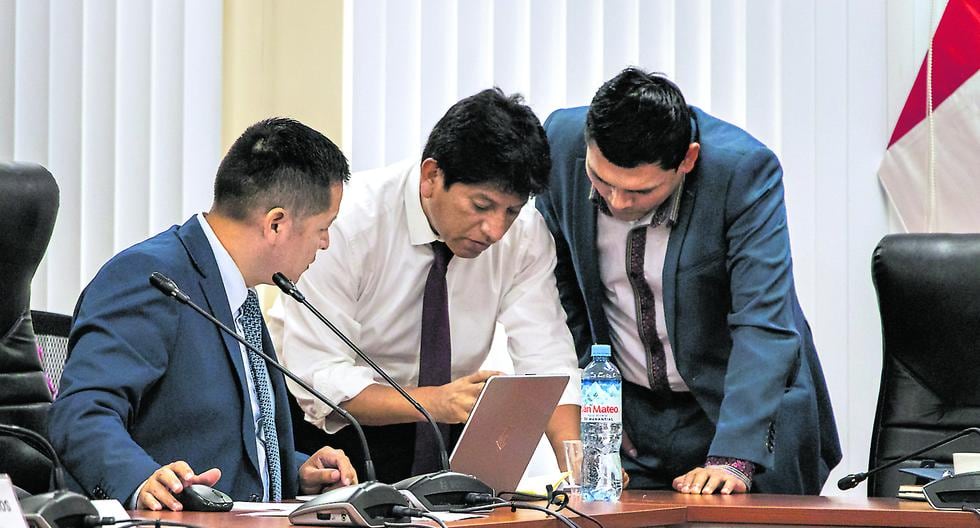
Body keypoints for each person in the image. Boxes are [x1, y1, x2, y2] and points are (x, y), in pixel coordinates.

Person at [535, 68, 841, 495]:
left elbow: (763, 322)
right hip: (637, 426)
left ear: (687, 160)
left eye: (640, 192)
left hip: (741, 415)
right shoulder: (559, 144)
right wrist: (598, 411)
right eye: (602, 182)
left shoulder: (742, 172)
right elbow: (565, 294)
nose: (618, 202)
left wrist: (733, 457)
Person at [48, 118, 357, 510]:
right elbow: (79, 414)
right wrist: (139, 479)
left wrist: (297, 472)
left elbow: (227, 444)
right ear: (276, 223)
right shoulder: (152, 278)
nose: (327, 243)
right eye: (323, 227)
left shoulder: (238, 292)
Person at [277, 88, 581, 483]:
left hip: (441, 425)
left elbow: (547, 359)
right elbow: (321, 376)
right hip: (333, 434)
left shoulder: (523, 235)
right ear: (431, 176)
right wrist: (433, 401)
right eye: (481, 205)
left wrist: (578, 470)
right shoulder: (347, 222)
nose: (495, 229)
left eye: (511, 210)